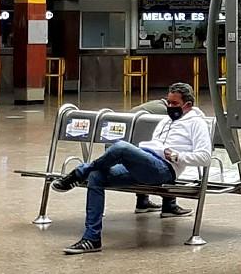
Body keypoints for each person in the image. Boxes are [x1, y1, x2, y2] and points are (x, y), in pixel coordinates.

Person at [51, 83, 212, 255]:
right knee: (97, 176)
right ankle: (92, 238)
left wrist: (177, 156)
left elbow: (205, 156)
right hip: (145, 162)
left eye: (175, 104)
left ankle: (80, 172)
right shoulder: (165, 121)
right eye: (169, 103)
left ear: (187, 105)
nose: (170, 107)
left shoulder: (197, 123)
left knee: (121, 147)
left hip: (164, 169)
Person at [129, 98, 194, 216]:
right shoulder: (164, 112)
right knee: (166, 164)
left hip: (125, 142)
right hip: (132, 146)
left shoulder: (152, 105)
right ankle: (170, 206)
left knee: (146, 161)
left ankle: (142, 202)